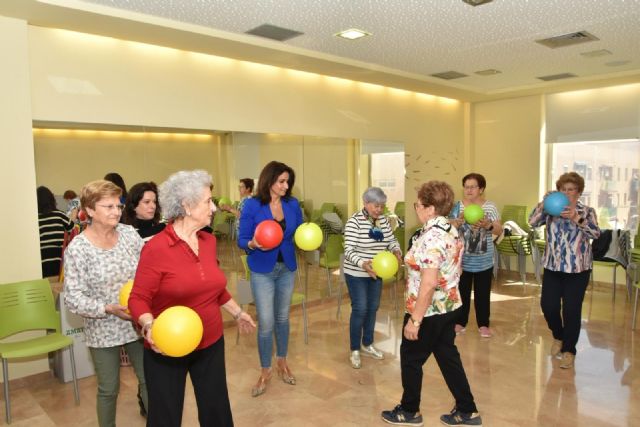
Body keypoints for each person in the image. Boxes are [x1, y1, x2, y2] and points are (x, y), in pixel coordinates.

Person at [129, 170, 256, 427]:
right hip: (167, 345)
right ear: (186, 206)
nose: (214, 207)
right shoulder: (156, 248)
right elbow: (138, 298)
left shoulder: (208, 241)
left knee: (216, 410)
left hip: (210, 341)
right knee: (166, 415)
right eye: (207, 201)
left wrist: (237, 312)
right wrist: (149, 325)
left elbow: (212, 287)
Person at [382, 180, 482, 427]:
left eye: (418, 204)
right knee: (447, 356)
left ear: (429, 208)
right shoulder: (449, 228)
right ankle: (467, 410)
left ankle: (409, 411)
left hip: (429, 310)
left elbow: (428, 283)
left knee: (411, 358)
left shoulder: (432, 238)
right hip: (448, 307)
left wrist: (415, 320)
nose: (416, 208)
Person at [63, 180, 147, 427]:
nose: (116, 211)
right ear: (89, 210)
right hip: (103, 326)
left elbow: (149, 271)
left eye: (118, 206)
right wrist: (107, 308)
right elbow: (73, 297)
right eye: (108, 206)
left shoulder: (130, 235)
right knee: (109, 388)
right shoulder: (79, 248)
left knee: (149, 380)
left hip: (137, 320)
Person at [238, 161, 303, 397]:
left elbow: (300, 232)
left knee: (283, 318)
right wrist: (252, 244)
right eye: (282, 181)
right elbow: (241, 239)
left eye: (288, 182)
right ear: (269, 181)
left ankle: (282, 362)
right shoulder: (252, 205)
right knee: (266, 322)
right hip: (262, 270)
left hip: (286, 267)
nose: (286, 186)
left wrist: (307, 239)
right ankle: (265, 370)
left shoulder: (292, 204)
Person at [529, 172, 600, 369]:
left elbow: (596, 233)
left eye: (571, 190)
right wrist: (543, 205)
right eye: (563, 189)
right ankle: (558, 336)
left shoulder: (587, 211)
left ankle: (569, 350)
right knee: (549, 306)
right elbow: (532, 222)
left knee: (571, 310)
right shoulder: (551, 210)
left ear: (578, 192)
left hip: (578, 269)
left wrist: (577, 218)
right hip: (553, 266)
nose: (566, 193)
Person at [343, 187, 401, 369]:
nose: (379, 210)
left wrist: (396, 250)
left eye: (382, 206)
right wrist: (363, 264)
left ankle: (367, 344)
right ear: (365, 203)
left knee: (373, 308)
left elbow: (391, 240)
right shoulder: (354, 222)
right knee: (360, 308)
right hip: (357, 273)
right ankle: (354, 349)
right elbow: (349, 251)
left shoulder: (383, 221)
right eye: (376, 206)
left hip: (377, 272)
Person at [449, 173, 502, 338]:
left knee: (483, 294)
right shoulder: (457, 207)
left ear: (481, 189)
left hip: (484, 261)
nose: (469, 190)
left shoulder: (490, 207)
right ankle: (460, 322)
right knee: (461, 293)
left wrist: (489, 225)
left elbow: (499, 230)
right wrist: (455, 223)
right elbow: (447, 228)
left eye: (473, 187)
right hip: (462, 261)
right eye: (466, 187)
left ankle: (483, 325)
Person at [37, 185, 74, 278]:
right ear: (51, 199)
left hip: (41, 261)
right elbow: (74, 230)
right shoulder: (60, 215)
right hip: (60, 260)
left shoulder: (35, 218)